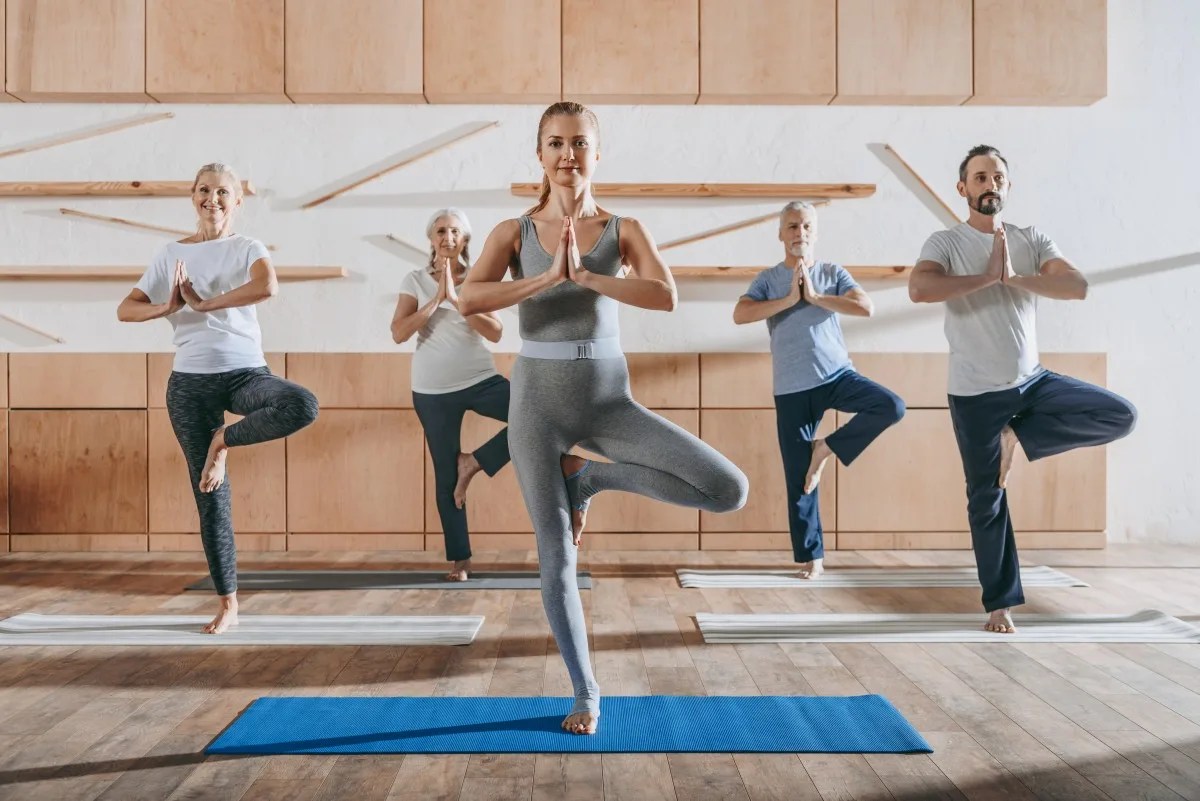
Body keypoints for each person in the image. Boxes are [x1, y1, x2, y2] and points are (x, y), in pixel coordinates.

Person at [458, 101, 749, 735]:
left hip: (609, 400)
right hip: (536, 406)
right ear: (540, 155)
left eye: (580, 143)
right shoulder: (514, 232)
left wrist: (587, 277)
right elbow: (469, 298)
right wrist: (542, 282)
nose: (569, 155)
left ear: (597, 152)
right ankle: (586, 691)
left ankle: (589, 479)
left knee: (728, 490)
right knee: (554, 554)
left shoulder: (624, 227)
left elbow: (663, 294)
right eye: (556, 144)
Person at [909, 144, 1137, 634]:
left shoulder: (1031, 238)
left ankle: (1020, 438)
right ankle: (1000, 604)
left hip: (1032, 382)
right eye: (980, 176)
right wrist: (986, 278)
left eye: (998, 176)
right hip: (974, 395)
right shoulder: (945, 242)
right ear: (963, 188)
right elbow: (920, 289)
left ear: (1007, 187)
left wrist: (1013, 277)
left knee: (1120, 415)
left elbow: (1075, 286)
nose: (990, 183)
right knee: (986, 497)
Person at [117, 162, 319, 635]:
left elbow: (267, 286)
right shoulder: (170, 254)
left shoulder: (247, 247)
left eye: (223, 191)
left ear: (238, 200)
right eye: (204, 190)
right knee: (211, 498)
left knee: (301, 404)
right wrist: (167, 307)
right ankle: (228, 602)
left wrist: (204, 303)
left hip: (246, 374)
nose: (213, 199)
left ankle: (222, 441)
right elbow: (125, 309)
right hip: (190, 384)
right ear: (193, 197)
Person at [733, 201, 905, 579]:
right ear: (781, 234)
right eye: (792, 227)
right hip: (791, 388)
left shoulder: (832, 273)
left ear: (816, 232)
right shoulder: (767, 280)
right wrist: (789, 301)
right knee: (799, 477)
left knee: (891, 406)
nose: (800, 233)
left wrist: (814, 298)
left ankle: (826, 448)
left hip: (837, 376)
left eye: (807, 226)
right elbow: (740, 313)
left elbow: (865, 307)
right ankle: (814, 558)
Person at [390, 208, 510, 582]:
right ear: (431, 238)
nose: (447, 237)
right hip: (432, 390)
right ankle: (460, 562)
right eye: (441, 230)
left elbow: (495, 333)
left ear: (465, 239)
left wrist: (456, 298)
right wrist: (436, 299)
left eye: (455, 231)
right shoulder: (413, 280)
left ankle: (474, 462)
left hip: (480, 378)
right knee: (445, 475)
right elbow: (398, 332)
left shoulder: (478, 279)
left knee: (535, 415)